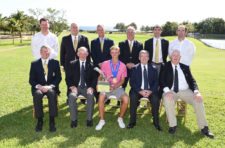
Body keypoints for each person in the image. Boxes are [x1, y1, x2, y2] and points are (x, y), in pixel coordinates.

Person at [160, 50, 214, 138]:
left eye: (177, 55)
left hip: (185, 90)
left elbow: (192, 81)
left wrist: (197, 92)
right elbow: (161, 80)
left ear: (180, 57)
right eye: (174, 55)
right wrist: (167, 91)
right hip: (171, 90)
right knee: (167, 99)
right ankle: (173, 125)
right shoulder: (165, 66)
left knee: (198, 100)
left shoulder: (185, 67)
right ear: (170, 57)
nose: (175, 57)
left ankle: (204, 128)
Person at [95, 46, 129, 131]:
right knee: (101, 97)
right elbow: (100, 76)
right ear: (110, 53)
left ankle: (120, 118)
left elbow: (122, 80)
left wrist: (115, 86)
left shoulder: (123, 65)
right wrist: (100, 84)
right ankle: (102, 120)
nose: (114, 54)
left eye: (116, 52)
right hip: (106, 87)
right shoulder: (105, 63)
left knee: (126, 99)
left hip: (117, 87)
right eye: (112, 52)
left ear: (119, 53)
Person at [29, 45, 62, 132]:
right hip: (39, 87)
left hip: (50, 87)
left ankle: (52, 120)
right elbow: (31, 80)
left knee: (51, 93)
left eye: (47, 51)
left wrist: (50, 86)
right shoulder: (34, 64)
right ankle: (40, 120)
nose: (46, 53)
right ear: (40, 52)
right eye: (44, 51)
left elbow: (58, 77)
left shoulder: (55, 63)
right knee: (37, 94)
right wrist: (39, 86)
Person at [127, 50, 161, 131]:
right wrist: (140, 91)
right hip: (138, 90)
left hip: (150, 90)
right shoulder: (134, 68)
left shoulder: (154, 68)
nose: (144, 58)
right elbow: (132, 82)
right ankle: (132, 122)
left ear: (149, 58)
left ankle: (156, 122)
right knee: (133, 97)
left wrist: (150, 91)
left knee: (156, 99)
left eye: (146, 56)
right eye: (142, 56)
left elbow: (156, 82)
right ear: (139, 58)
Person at [66, 47, 98, 128]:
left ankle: (89, 119)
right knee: (72, 97)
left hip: (87, 87)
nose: (82, 55)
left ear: (87, 54)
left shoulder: (92, 65)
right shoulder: (72, 64)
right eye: (80, 53)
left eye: (84, 53)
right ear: (77, 54)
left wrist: (91, 87)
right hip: (75, 87)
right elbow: (68, 78)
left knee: (91, 96)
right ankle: (74, 120)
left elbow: (95, 78)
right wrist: (72, 87)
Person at [91, 24, 114, 103]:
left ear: (105, 30)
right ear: (97, 31)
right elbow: (93, 54)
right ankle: (98, 98)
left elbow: (112, 54)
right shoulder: (93, 42)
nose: (100, 31)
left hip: (107, 66)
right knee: (97, 81)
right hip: (97, 66)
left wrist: (104, 63)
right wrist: (98, 63)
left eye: (102, 29)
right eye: (99, 30)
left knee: (106, 81)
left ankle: (106, 99)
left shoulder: (110, 41)